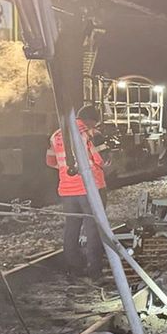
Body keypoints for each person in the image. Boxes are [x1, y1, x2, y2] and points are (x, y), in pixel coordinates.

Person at [46, 104, 108, 276]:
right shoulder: (92, 134)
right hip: (91, 188)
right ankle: (94, 268)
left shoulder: (57, 135)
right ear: (92, 120)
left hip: (67, 191)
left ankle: (73, 267)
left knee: (71, 228)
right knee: (94, 228)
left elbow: (50, 161)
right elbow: (102, 160)